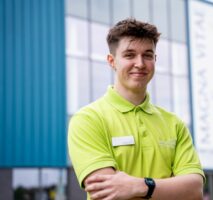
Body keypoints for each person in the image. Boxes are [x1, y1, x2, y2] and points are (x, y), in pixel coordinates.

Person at [68, 18, 205, 200]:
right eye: (129, 55)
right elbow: (106, 191)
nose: (140, 63)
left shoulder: (174, 123)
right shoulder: (88, 119)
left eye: (147, 55)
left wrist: (141, 186)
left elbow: (194, 189)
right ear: (112, 61)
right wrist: (170, 187)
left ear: (154, 60)